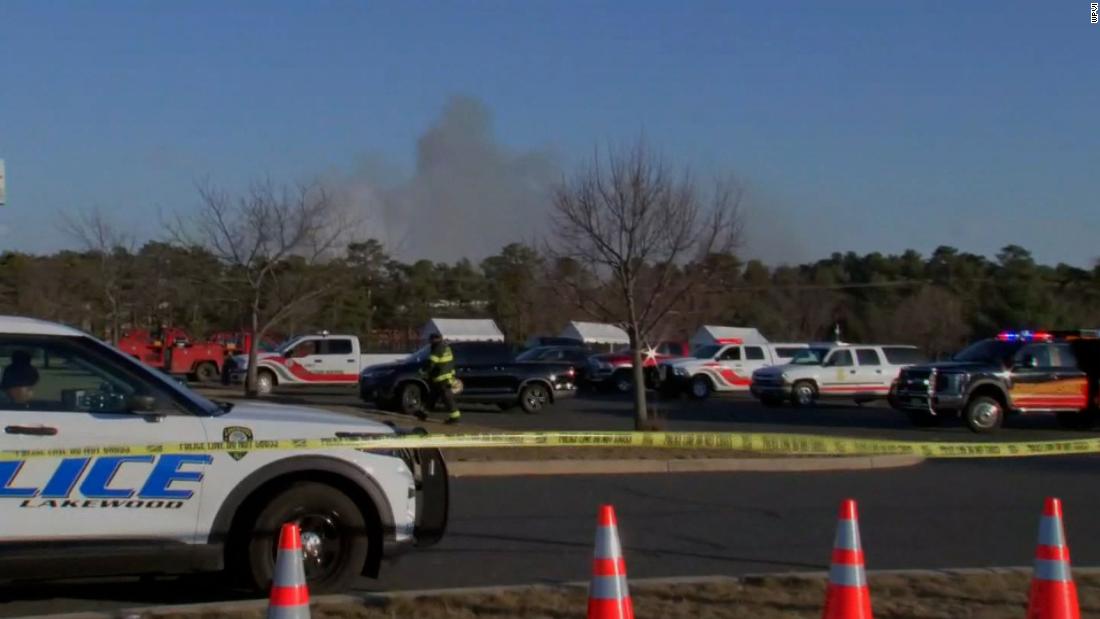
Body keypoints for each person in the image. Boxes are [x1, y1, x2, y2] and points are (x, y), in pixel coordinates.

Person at [421, 332, 461, 424]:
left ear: (434, 339)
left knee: (446, 397)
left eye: (431, 339)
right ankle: (423, 413)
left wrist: (423, 371)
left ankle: (455, 417)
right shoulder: (445, 347)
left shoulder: (437, 348)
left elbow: (431, 363)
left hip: (441, 377)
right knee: (433, 396)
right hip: (444, 376)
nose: (429, 341)